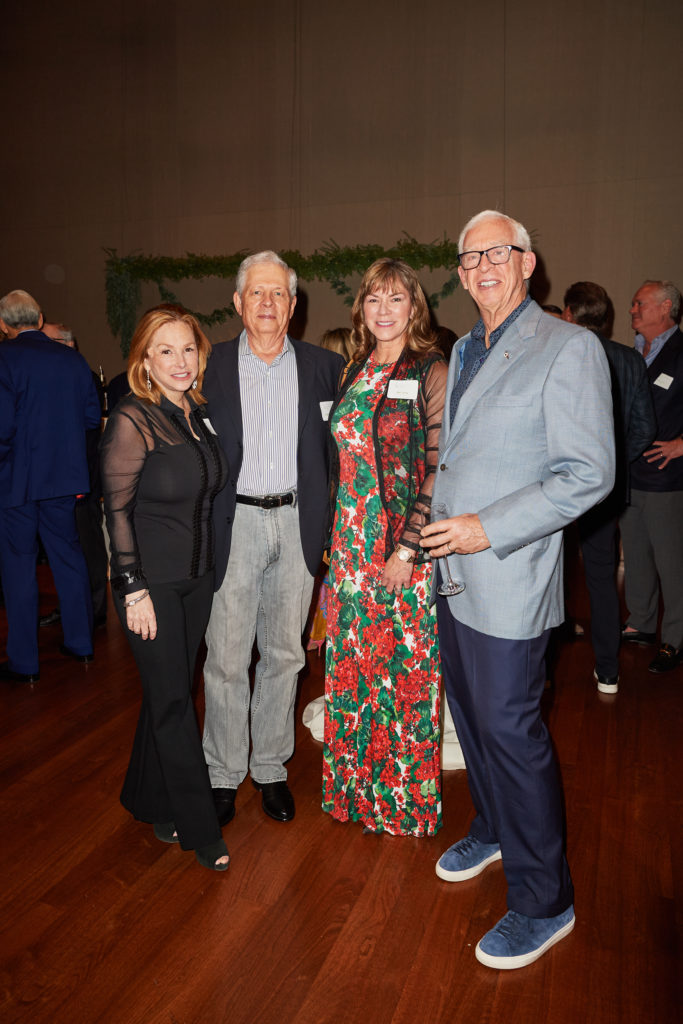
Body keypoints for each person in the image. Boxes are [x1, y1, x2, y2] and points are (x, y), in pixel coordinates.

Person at [420, 211, 614, 969]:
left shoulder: (567, 347)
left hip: (508, 573)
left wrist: (485, 527)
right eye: (469, 257)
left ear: (527, 262)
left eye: (496, 252)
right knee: (470, 719)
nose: (482, 266)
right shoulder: (464, 348)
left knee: (510, 732)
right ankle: (496, 828)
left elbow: (588, 474)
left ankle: (544, 901)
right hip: (452, 572)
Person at [202, 252, 344, 827]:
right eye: (256, 293)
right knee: (227, 657)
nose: (267, 303)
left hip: (297, 521)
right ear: (238, 302)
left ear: (293, 305)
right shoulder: (207, 365)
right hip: (232, 522)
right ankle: (222, 772)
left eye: (278, 293)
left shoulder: (326, 368)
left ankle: (269, 767)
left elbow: (341, 454)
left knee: (285, 655)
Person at [100, 305, 229, 872]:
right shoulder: (132, 417)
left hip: (197, 580)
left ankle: (147, 797)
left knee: (168, 690)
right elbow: (116, 509)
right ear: (145, 361)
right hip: (151, 585)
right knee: (175, 702)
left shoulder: (197, 412)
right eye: (166, 351)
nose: (180, 361)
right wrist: (132, 588)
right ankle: (202, 829)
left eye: (188, 349)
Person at [322, 258, 446, 836]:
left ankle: (401, 803)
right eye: (374, 299)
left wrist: (408, 548)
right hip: (348, 546)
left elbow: (441, 467)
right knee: (353, 666)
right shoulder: (353, 368)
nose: (384, 310)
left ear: (414, 307)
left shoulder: (429, 368)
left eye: (396, 298)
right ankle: (352, 794)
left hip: (398, 546)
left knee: (403, 671)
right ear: (361, 308)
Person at [0, 290, 101, 683]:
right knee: (68, 558)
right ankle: (81, 642)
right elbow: (91, 418)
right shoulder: (72, 360)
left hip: (16, 481)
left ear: (3, 324)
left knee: (18, 567)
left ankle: (25, 662)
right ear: (40, 319)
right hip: (63, 478)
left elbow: (3, 427)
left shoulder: (4, 358)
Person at [561, 282, 656, 693]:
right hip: (606, 488)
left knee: (550, 571)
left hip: (557, 483)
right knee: (601, 577)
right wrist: (610, 467)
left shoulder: (562, 351)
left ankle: (542, 666)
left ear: (569, 313)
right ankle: (608, 670)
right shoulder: (631, 359)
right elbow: (645, 429)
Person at [620, 280, 683, 673]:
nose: (632, 310)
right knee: (637, 555)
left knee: (671, 562)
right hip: (630, 475)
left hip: (666, 479)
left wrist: (681, 444)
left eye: (639, 303)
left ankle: (676, 637)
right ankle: (641, 622)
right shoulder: (633, 354)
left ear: (665, 307)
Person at [39, 322, 109, 630]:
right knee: (65, 551)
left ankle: (94, 612)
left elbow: (83, 431)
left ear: (67, 344)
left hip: (81, 481)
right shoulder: (57, 376)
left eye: (46, 341)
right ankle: (72, 610)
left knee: (88, 546)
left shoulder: (84, 377)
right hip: (61, 480)